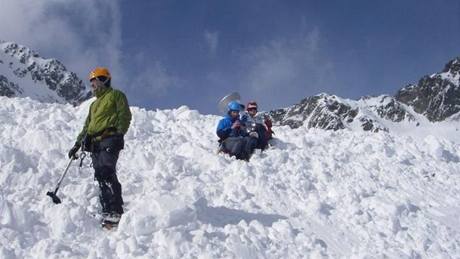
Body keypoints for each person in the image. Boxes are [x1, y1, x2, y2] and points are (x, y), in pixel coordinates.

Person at [68, 67, 132, 228]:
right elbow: (87, 126)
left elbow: (125, 115)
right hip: (94, 143)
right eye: (91, 83)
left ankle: (116, 211)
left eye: (94, 81)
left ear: (104, 79)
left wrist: (119, 133)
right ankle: (107, 210)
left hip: (110, 138)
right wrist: (77, 144)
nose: (92, 85)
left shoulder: (116, 95)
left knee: (107, 172)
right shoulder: (93, 105)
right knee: (99, 176)